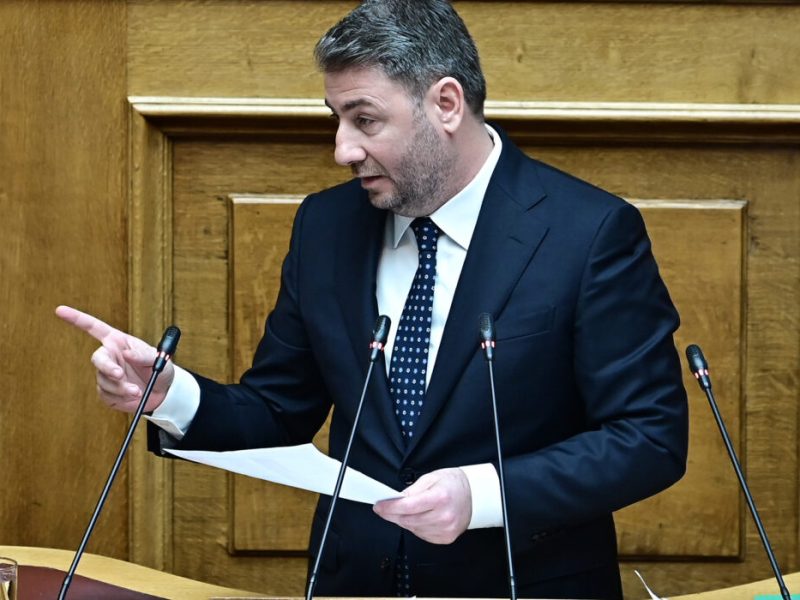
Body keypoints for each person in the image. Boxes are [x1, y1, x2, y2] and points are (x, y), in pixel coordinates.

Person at [57, 1, 689, 598]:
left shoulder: (588, 232)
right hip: (352, 582)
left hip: (522, 583)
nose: (343, 149)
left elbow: (648, 437)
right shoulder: (325, 226)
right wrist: (170, 396)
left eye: (365, 120)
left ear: (446, 104)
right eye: (335, 119)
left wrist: (483, 494)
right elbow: (279, 410)